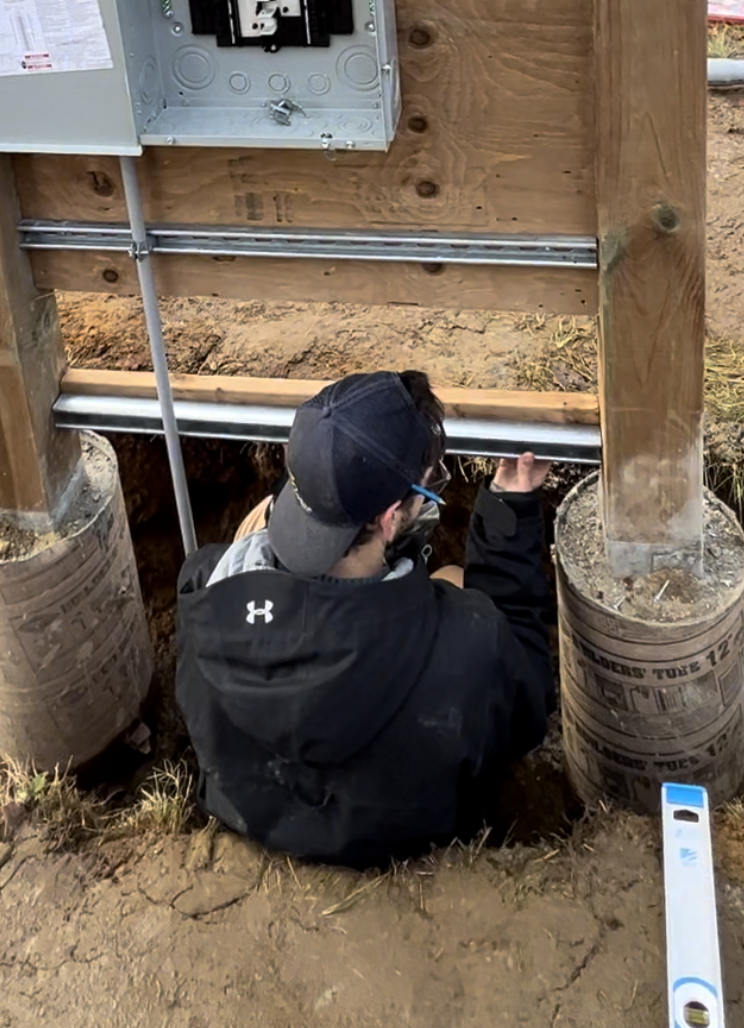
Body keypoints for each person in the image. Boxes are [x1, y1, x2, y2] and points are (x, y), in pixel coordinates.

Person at [174, 368, 555, 868]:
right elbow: (528, 702)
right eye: (429, 484)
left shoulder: (204, 588)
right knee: (455, 578)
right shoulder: (467, 647)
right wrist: (510, 513)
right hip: (398, 845)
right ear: (391, 517)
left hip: (258, 816)